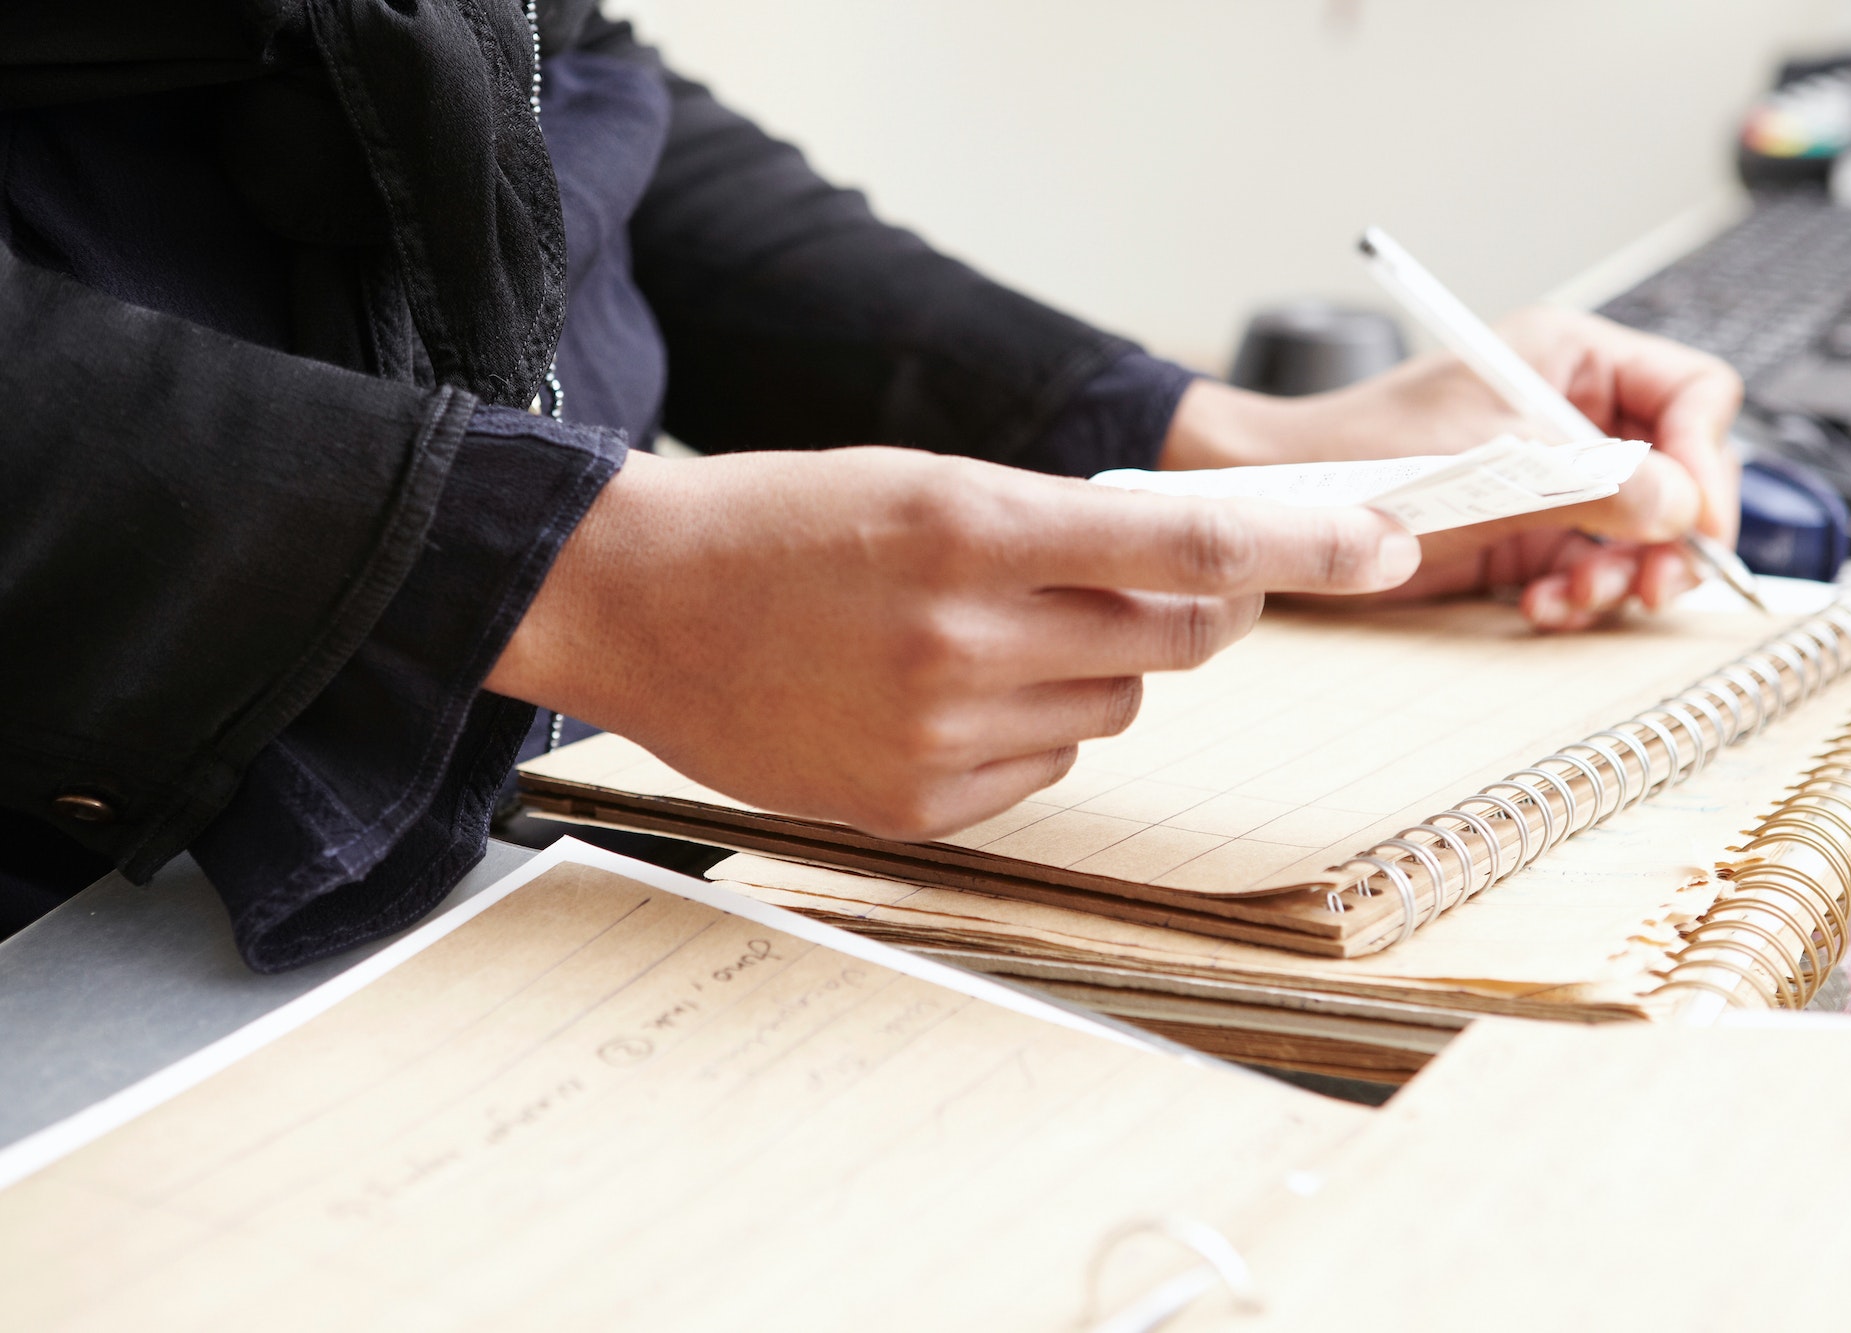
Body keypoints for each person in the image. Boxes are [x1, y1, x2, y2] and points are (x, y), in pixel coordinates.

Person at [0, 1, 1740, 969]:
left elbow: (545, 82)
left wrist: (1185, 425)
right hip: (89, 906)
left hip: (547, 839)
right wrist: (554, 576)